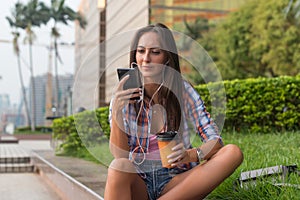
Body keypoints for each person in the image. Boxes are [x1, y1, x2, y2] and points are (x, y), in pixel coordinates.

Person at [104, 23, 243, 200]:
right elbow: (120, 154)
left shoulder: (183, 91)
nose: (146, 59)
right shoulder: (123, 95)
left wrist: (190, 155)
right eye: (141, 51)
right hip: (139, 182)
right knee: (117, 167)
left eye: (155, 52)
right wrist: (116, 112)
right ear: (134, 55)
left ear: (167, 57)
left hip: (176, 183)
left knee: (232, 152)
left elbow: (215, 141)